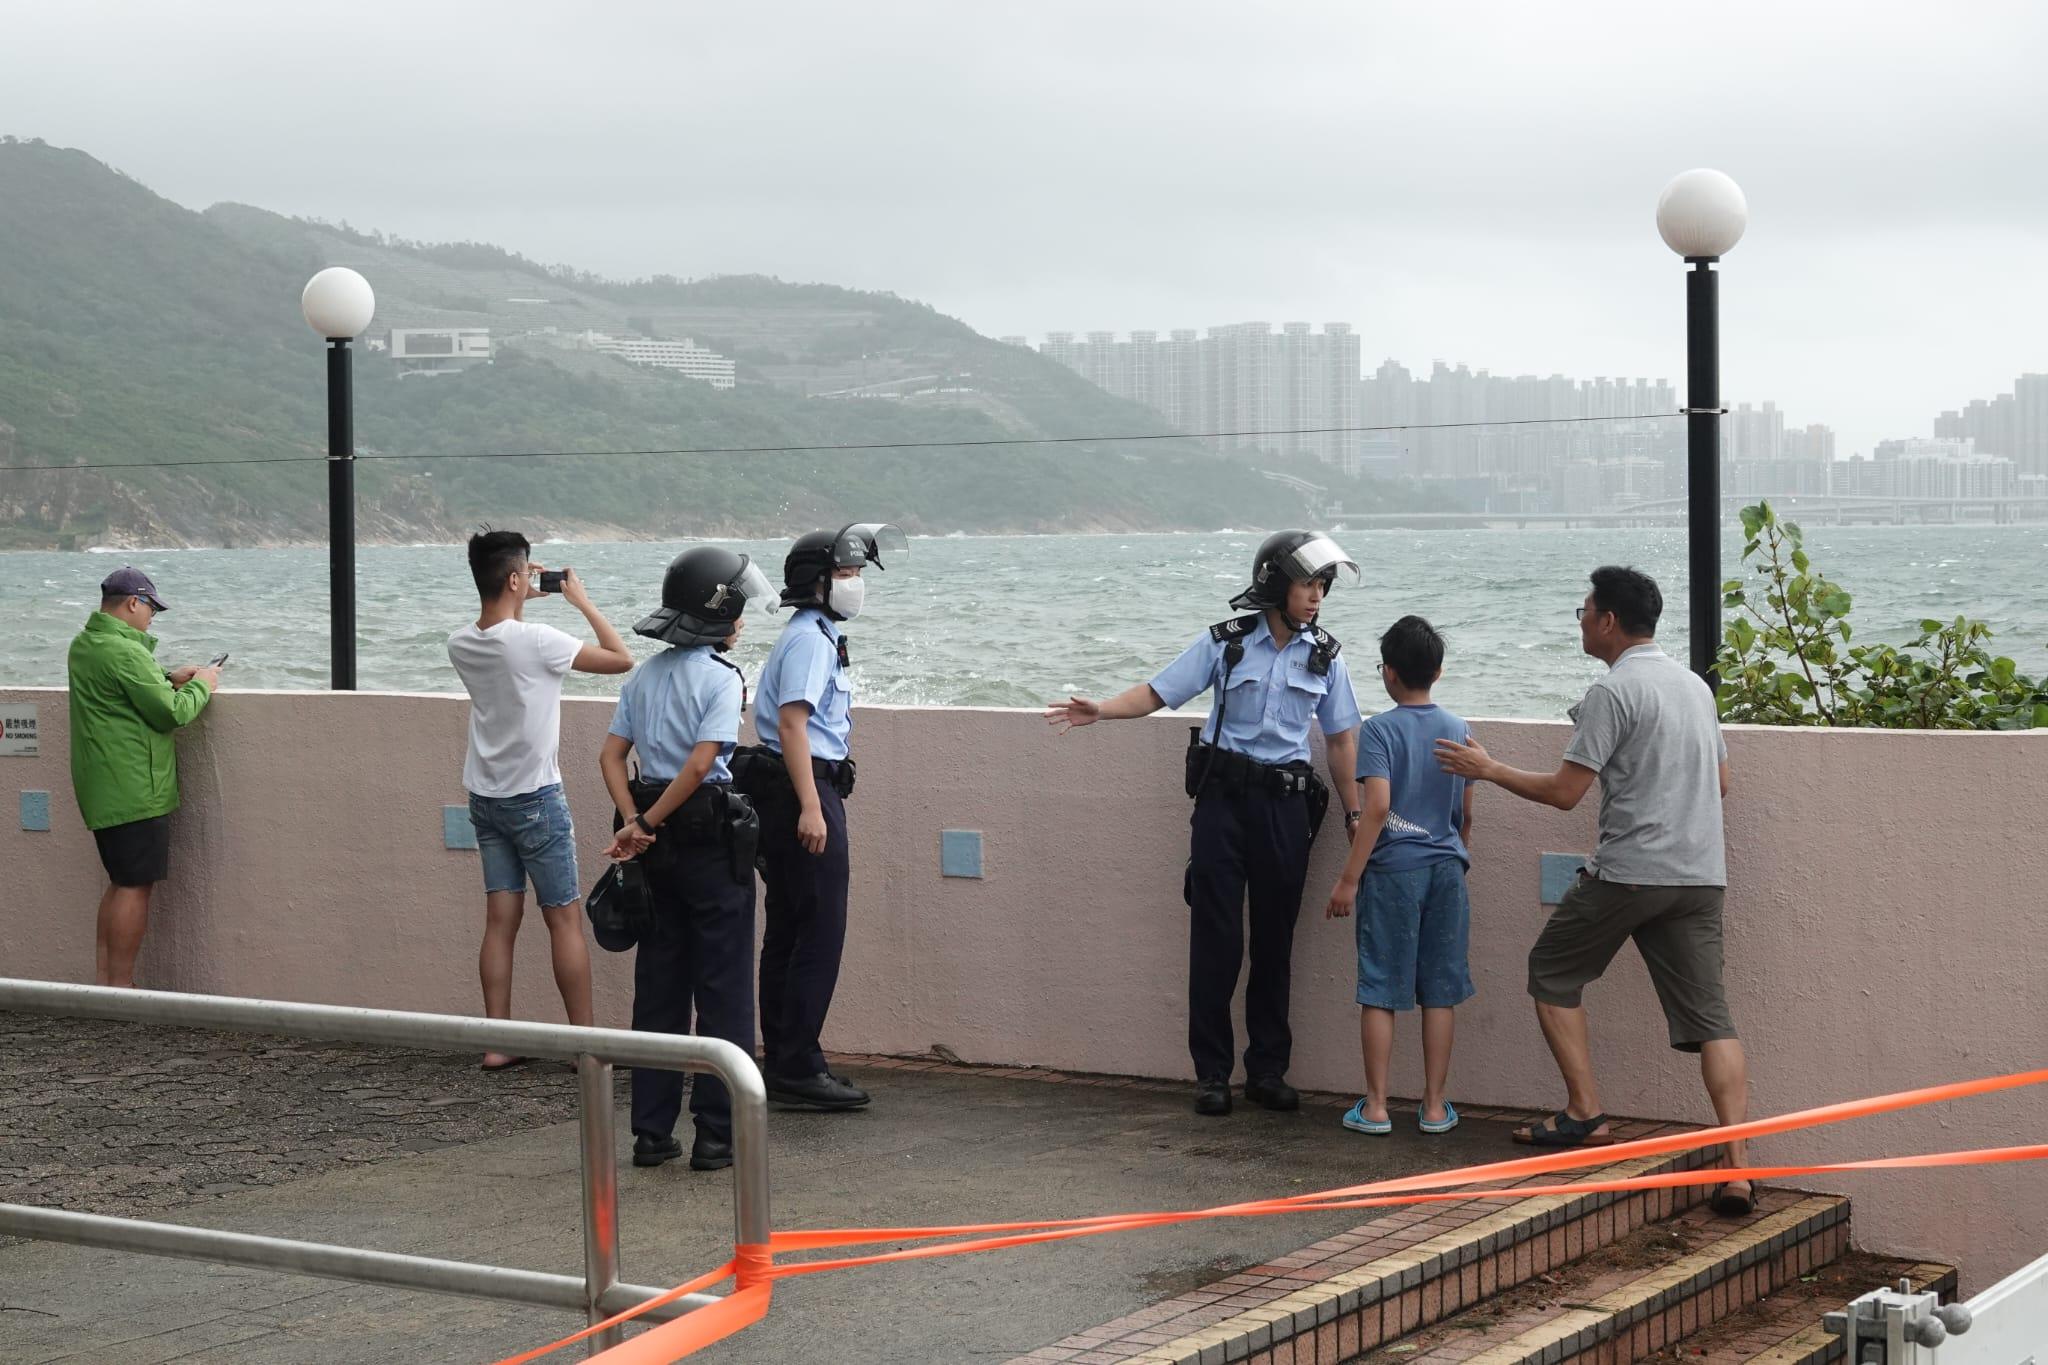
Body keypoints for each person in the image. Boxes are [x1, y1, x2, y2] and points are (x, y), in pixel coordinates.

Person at [1435, 565, 1754, 1216]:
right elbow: (1720, 783)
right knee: (1712, 1020)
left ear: (1609, 620)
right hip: (1700, 874)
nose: (1580, 619)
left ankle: (1584, 1111)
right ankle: (1739, 1170)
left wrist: (1486, 767)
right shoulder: (1694, 687)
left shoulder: (1613, 692)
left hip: (1632, 869)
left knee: (1550, 971)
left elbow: (1563, 792)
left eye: (1584, 610)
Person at [1046, 531, 1364, 1117]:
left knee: (1275, 942)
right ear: (1274, 584)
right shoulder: (1227, 644)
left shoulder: (1326, 656)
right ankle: (1212, 1074)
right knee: (1216, 940)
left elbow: (1342, 740)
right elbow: (1159, 691)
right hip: (1223, 806)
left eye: (1323, 586)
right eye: (1307, 584)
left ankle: (1267, 1071)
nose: (1317, 596)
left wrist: (1353, 812)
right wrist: (1103, 711)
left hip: (1285, 810)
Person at [600, 546, 773, 1171]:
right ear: (719, 612)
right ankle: (717, 1134)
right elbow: (704, 765)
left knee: (660, 986)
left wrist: (634, 823)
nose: (744, 621)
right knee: (723, 987)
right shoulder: (723, 680)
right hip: (708, 843)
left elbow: (611, 757)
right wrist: (645, 820)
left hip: (655, 847)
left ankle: (651, 1132)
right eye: (740, 609)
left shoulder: (643, 676)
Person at [735, 522, 907, 1111]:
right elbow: (792, 723)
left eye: (857, 573)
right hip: (803, 790)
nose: (854, 584)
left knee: (790, 928)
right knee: (817, 931)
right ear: (816, 582)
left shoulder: (812, 632)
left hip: (792, 789)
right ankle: (799, 1065)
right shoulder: (811, 637)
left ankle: (786, 1060)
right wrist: (812, 806)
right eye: (846, 574)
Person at [446, 529, 633, 1070]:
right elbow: (621, 659)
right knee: (564, 922)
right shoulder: (539, 640)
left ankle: (498, 1040)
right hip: (537, 799)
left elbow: (505, 643)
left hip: (485, 796)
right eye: (525, 574)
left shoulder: (460, 643)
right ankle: (585, 1048)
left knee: (500, 920)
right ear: (513, 578)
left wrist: (520, 597)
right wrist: (580, 600)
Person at [1322, 615, 1473, 1137]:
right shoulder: (1458, 729)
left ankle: (1377, 1106)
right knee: (1439, 988)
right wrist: (1452, 854)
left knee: (1382, 987)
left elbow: (1378, 807)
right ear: (1438, 671)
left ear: (1388, 673)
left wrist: (1348, 878)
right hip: (1447, 869)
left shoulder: (1380, 731)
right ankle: (1434, 1106)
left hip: (1392, 873)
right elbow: (1466, 814)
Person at [66, 566, 222, 988]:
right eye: (151, 606)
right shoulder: (126, 652)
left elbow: (118, 689)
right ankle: (122, 987)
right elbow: (173, 713)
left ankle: (105, 984)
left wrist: (167, 677)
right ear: (134, 602)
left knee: (120, 882)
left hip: (104, 784)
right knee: (135, 887)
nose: (153, 615)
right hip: (135, 786)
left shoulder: (86, 644)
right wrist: (203, 683)